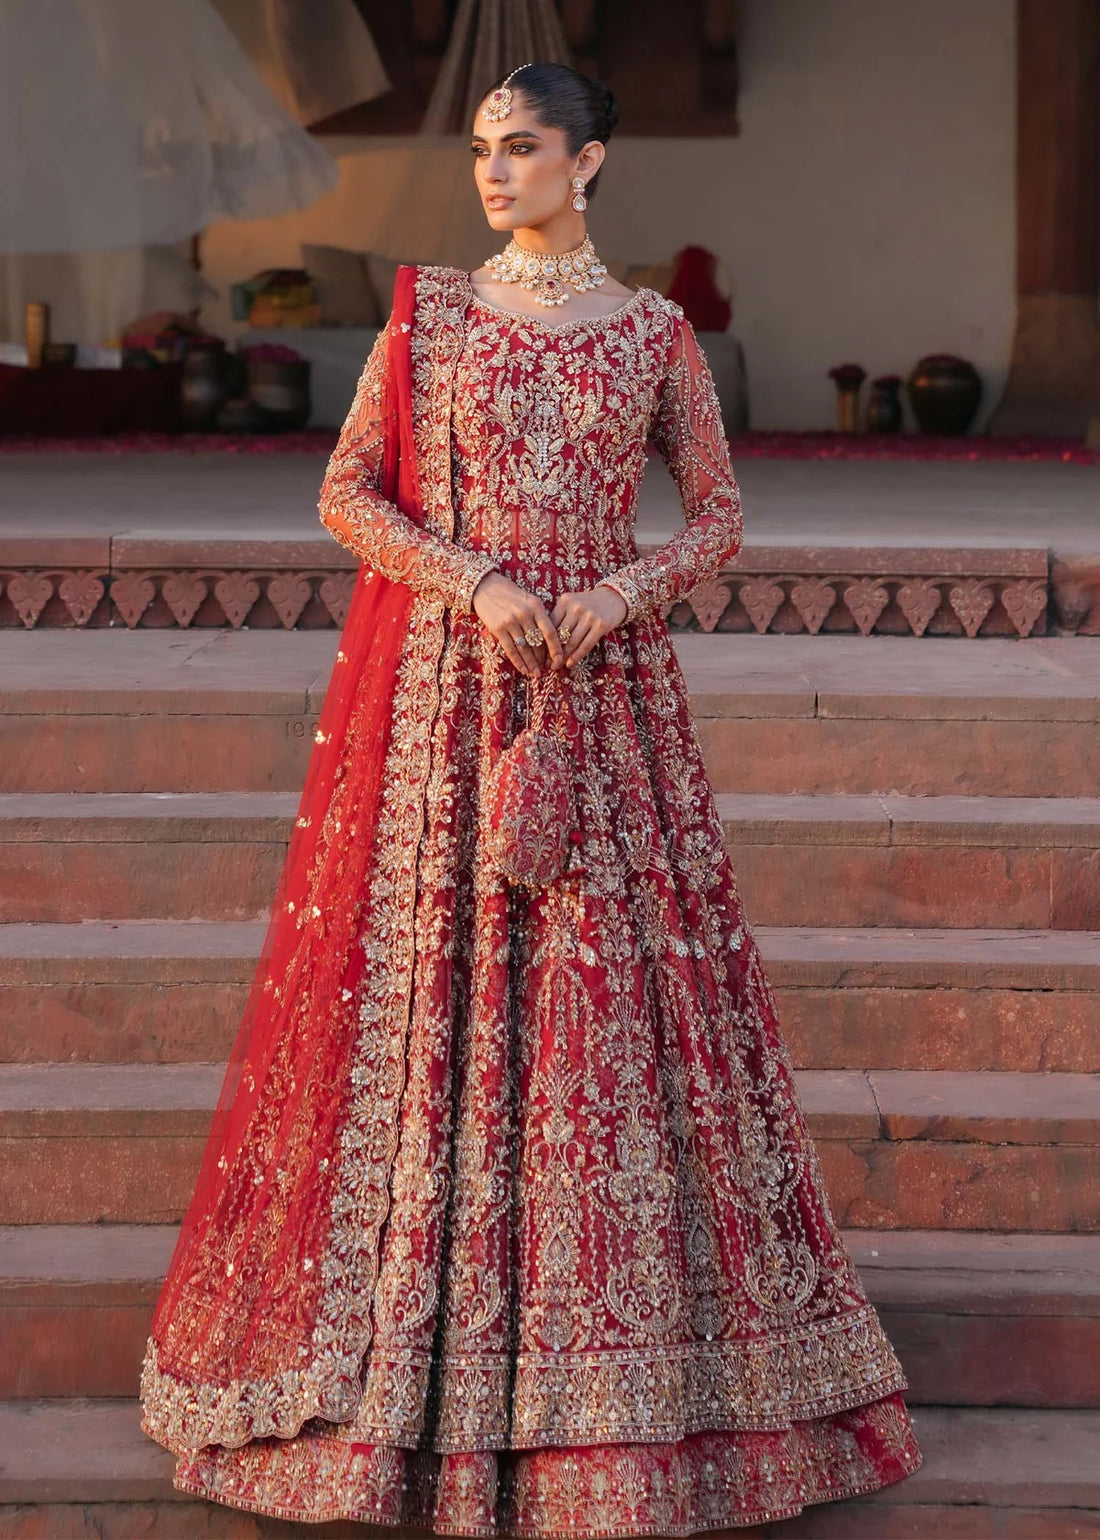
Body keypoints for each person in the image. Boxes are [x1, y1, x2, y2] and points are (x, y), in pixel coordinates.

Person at [140, 59, 921, 1536]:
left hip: (607, 713)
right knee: (436, 1006)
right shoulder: (429, 316)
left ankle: (623, 1399)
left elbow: (724, 517)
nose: (493, 172)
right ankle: (414, 1386)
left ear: (593, 161)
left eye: (524, 148)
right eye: (485, 150)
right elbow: (348, 492)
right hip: (449, 704)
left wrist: (618, 591)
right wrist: (482, 579)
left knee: (608, 1020)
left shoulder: (650, 335)